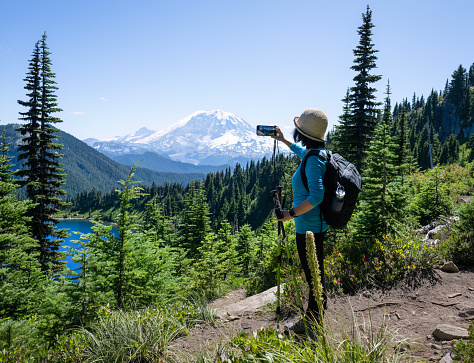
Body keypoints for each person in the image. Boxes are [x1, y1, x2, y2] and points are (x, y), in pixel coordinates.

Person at [272, 108, 328, 335]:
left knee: (312, 273)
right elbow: (301, 153)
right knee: (316, 272)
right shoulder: (317, 154)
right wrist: (283, 140)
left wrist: (290, 214)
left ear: (303, 133)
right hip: (316, 225)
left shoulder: (313, 161)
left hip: (308, 229)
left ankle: (311, 322)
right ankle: (319, 310)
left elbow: (317, 195)